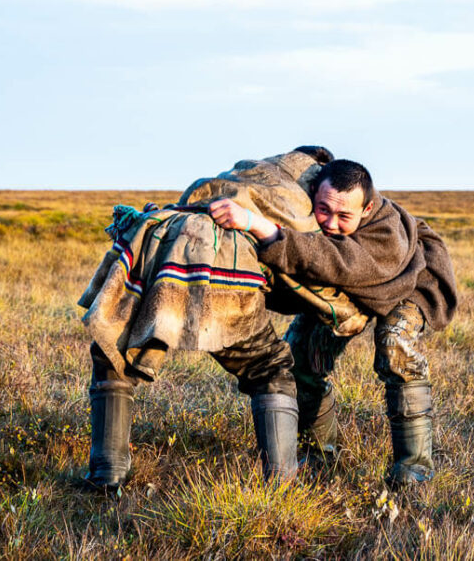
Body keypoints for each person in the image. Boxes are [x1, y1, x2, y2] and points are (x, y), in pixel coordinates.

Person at [81, 146, 358, 488]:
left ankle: (106, 474)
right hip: (223, 263)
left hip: (162, 245)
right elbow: (308, 253)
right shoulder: (303, 191)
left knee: (114, 355)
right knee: (268, 369)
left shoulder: (246, 171)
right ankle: (282, 485)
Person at [208, 159, 458, 487]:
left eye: (344, 216)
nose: (331, 223)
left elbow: (341, 262)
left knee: (395, 344)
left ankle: (414, 472)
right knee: (301, 357)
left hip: (408, 283)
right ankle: (320, 455)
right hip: (343, 291)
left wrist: (263, 229)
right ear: (314, 193)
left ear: (366, 208)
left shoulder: (385, 232)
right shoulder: (305, 212)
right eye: (324, 210)